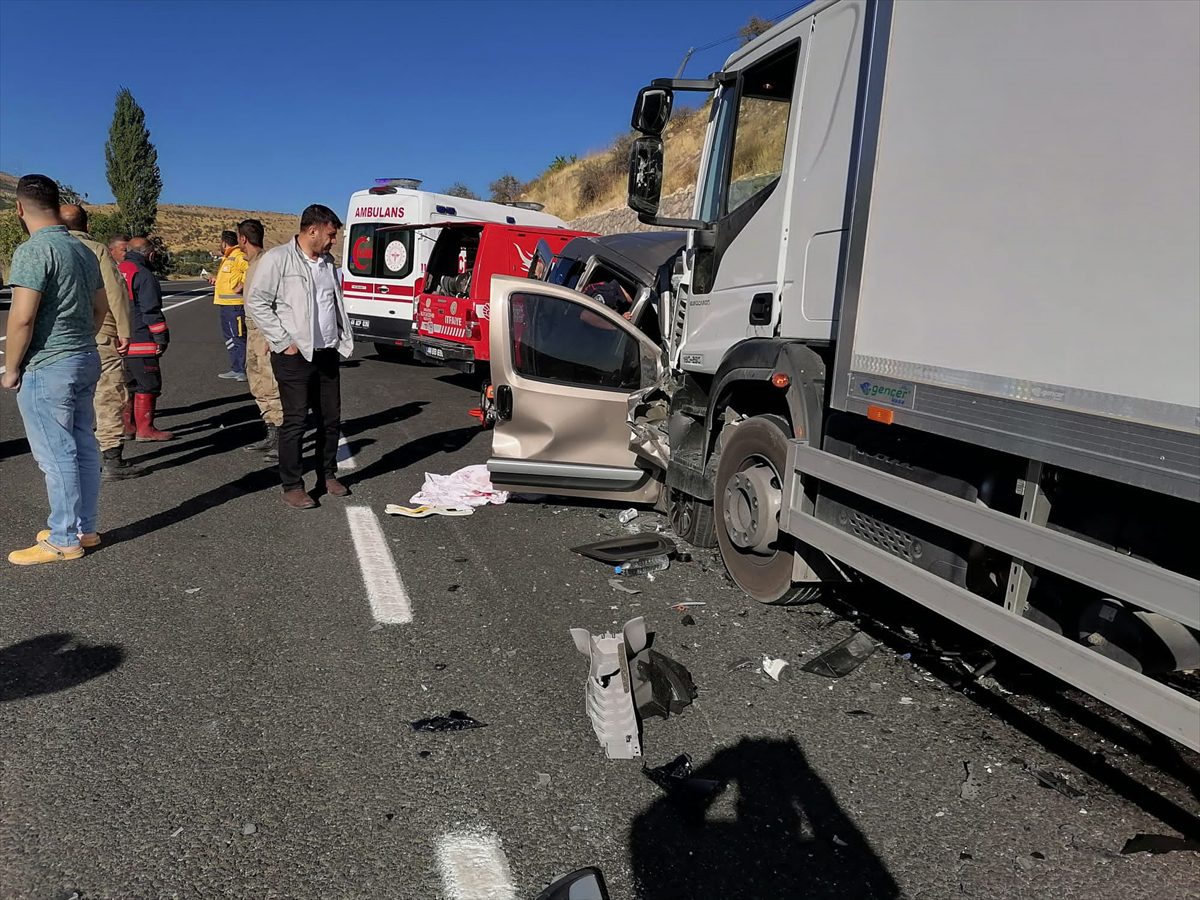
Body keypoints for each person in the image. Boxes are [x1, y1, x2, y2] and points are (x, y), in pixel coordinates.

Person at [2, 175, 107, 564]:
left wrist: (11, 368)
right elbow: (100, 310)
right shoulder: (83, 251)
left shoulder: (34, 250)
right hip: (83, 357)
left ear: (19, 208)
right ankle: (85, 527)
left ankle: (64, 537)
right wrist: (79, 340)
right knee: (81, 444)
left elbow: (22, 319)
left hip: (49, 364)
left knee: (55, 453)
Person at [245, 204, 354, 509]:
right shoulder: (279, 259)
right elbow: (257, 301)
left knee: (330, 419)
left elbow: (334, 303)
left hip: (327, 352)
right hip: (294, 355)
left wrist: (341, 338)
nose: (334, 241)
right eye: (331, 235)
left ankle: (327, 474)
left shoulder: (329, 264)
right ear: (312, 230)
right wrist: (282, 341)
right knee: (294, 422)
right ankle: (292, 485)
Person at [60, 205, 144, 481]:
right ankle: (112, 457)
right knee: (107, 393)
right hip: (98, 331)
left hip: (60, 336)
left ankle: (69, 459)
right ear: (86, 225)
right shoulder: (95, 250)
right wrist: (124, 329)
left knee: (66, 397)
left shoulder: (50, 247)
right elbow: (114, 290)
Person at [236, 218, 281, 458]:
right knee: (257, 383)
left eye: (239, 240)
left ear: (243, 239)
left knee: (270, 383)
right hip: (252, 331)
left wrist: (271, 336)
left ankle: (282, 438)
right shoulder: (253, 264)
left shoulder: (266, 264)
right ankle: (271, 431)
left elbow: (276, 303)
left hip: (264, 332)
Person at [124, 236, 174, 441]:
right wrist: (161, 337)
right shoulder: (144, 275)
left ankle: (128, 427)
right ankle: (145, 429)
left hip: (120, 340)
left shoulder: (118, 270)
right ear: (150, 254)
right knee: (148, 383)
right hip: (142, 339)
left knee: (129, 383)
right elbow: (151, 310)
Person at [210, 229, 248, 381]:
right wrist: (215, 280)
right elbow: (229, 277)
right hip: (225, 304)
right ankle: (235, 367)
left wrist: (242, 285)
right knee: (230, 337)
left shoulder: (238, 256)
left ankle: (242, 370)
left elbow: (250, 270)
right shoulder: (228, 258)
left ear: (224, 242)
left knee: (238, 337)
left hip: (235, 305)